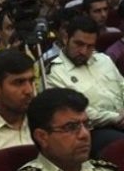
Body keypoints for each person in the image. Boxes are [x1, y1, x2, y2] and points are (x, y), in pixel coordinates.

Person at [47, 16, 124, 155]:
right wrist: (116, 118)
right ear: (66, 39)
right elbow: (76, 113)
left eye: (90, 46)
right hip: (92, 130)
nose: (83, 51)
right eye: (79, 44)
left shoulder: (104, 60)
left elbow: (123, 85)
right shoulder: (55, 73)